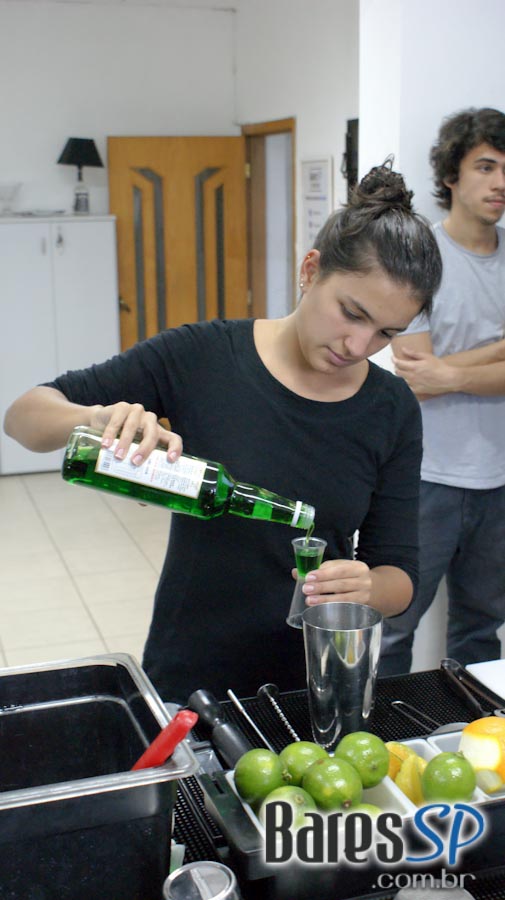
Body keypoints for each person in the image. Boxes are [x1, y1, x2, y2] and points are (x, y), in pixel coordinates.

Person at [4, 162, 442, 704]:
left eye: (385, 333)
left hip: (315, 680)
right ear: (310, 271)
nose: (358, 346)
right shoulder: (202, 356)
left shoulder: (390, 408)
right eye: (351, 313)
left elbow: (400, 573)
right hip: (193, 676)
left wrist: (369, 588)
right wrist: (94, 419)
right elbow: (23, 416)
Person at [380, 107, 505, 676]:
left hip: (498, 483)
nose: (500, 183)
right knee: (392, 626)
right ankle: (380, 726)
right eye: (486, 166)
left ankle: (479, 729)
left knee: (482, 628)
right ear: (452, 175)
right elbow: (416, 380)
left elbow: (435, 374)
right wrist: (493, 354)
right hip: (425, 477)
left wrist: (450, 373)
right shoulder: (420, 258)